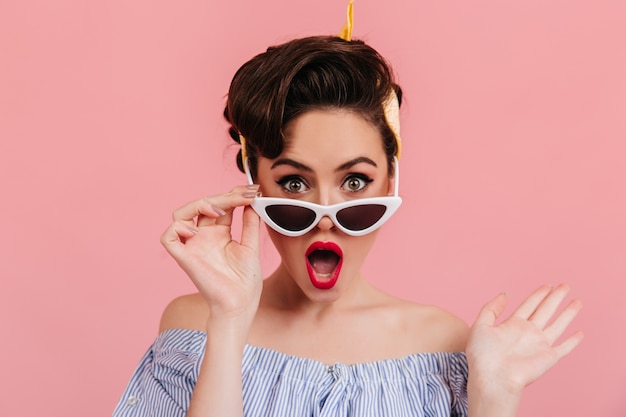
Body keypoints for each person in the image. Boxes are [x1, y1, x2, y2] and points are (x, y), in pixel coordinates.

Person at [112, 7, 583, 417]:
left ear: (391, 181)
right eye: (293, 183)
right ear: (253, 186)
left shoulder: (442, 343)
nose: (325, 216)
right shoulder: (196, 326)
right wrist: (231, 321)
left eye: (355, 182)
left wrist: (495, 399)